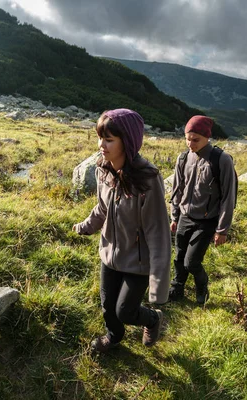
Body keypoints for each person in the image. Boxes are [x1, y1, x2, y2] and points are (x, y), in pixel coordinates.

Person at [73, 108, 171, 353]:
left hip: (138, 260)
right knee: (108, 308)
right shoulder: (103, 169)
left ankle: (152, 318)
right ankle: (114, 337)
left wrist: (158, 286)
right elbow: (102, 208)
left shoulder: (147, 179)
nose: (101, 145)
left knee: (125, 310)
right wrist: (86, 226)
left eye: (109, 139)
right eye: (100, 137)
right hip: (109, 254)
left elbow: (158, 232)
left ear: (127, 141)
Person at [169, 115, 237, 304]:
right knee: (179, 257)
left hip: (207, 221)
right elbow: (177, 189)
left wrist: (222, 229)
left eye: (195, 139)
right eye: (187, 138)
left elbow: (228, 196)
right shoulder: (183, 158)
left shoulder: (221, 159)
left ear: (207, 137)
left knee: (191, 262)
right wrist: (174, 216)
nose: (190, 144)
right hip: (184, 216)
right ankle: (177, 289)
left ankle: (202, 288)